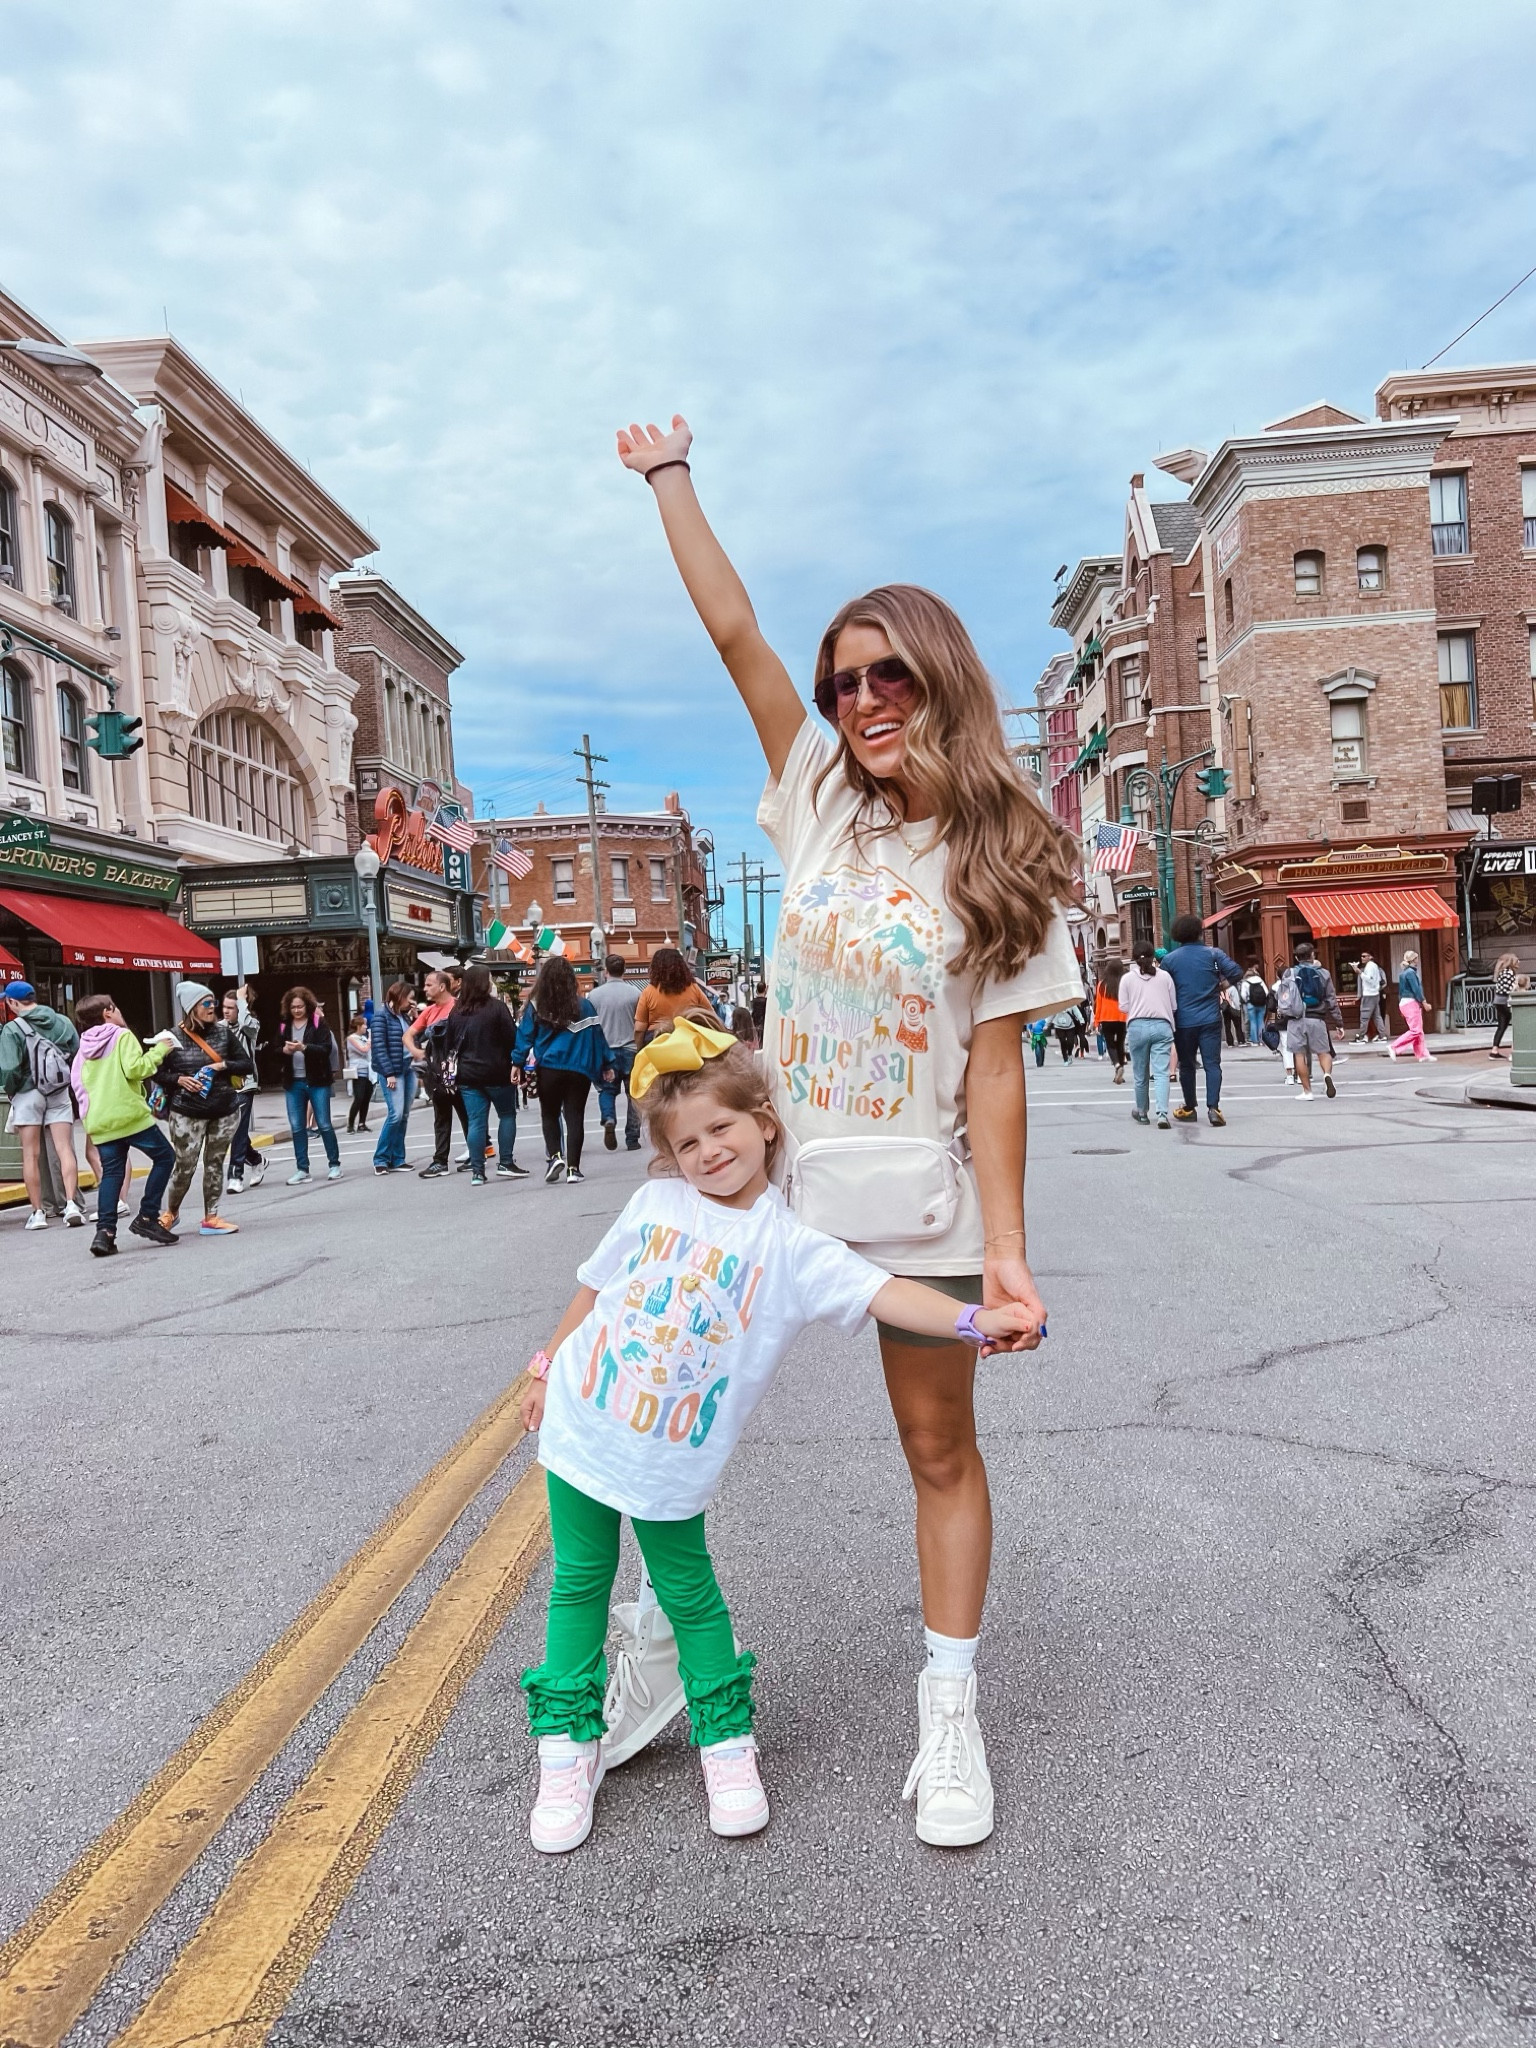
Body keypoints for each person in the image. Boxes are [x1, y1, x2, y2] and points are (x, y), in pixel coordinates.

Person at [617, 413, 1079, 1848]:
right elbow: (735, 630)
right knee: (654, 1418)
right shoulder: (817, 797)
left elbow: (993, 1075)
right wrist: (668, 477)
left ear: (938, 674)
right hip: (764, 1197)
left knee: (939, 1453)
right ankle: (646, 1657)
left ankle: (949, 1717)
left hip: (916, 1209)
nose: (861, 696)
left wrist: (1006, 1256)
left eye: (887, 672)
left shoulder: (1007, 858)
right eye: (845, 679)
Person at [516, 1018, 1045, 1853]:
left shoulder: (792, 1246)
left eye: (720, 1128)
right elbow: (595, 1286)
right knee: (577, 1584)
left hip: (671, 1456)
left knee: (688, 1593)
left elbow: (886, 1293)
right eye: (685, 1142)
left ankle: (726, 1748)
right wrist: (546, 1369)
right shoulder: (653, 1201)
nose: (706, 1152)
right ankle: (565, 1749)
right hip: (584, 1425)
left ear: (765, 1121)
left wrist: (976, 1319)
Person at [70, 995, 178, 1254]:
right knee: (165, 1157)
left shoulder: (83, 1046)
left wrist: (89, 1116)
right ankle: (148, 1217)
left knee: (112, 1174)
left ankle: (104, 1234)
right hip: (129, 1116)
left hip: (100, 1120)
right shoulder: (122, 1036)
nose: (119, 1011)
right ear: (108, 1012)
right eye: (116, 1007)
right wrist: (161, 1049)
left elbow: (78, 1083)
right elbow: (136, 1070)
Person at [158, 981, 254, 1235]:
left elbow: (246, 1065)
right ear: (192, 1008)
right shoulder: (172, 1038)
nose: (213, 1008)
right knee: (184, 1165)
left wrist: (222, 1066)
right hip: (186, 1111)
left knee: (214, 1163)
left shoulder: (224, 1034)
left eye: (213, 1003)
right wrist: (178, 1079)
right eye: (206, 1004)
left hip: (224, 1110)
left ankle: (211, 1217)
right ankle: (171, 1212)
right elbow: (155, 1072)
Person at [513, 956, 614, 1185]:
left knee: (549, 1114)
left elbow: (524, 1036)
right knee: (574, 1117)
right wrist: (607, 1064)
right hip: (578, 1070)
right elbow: (598, 1038)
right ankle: (573, 1169)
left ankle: (555, 1156)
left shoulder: (537, 1005)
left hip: (549, 1068)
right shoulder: (585, 1006)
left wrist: (517, 1063)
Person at [0, 978, 85, 1229]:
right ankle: (71, 1204)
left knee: (31, 1154)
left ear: (14, 1002)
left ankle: (38, 1213)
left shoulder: (13, 1029)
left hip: (28, 1093)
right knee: (64, 1149)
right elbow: (76, 1052)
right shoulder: (63, 1021)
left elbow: (9, 1069)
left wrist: (14, 1091)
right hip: (58, 1091)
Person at [445, 963, 527, 1183]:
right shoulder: (497, 1008)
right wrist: (517, 1064)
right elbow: (512, 1038)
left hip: (468, 1075)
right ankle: (506, 1162)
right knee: (507, 1115)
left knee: (476, 1122)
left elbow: (450, 1043)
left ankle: (477, 1172)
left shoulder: (457, 1011)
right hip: (498, 1072)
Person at [1159, 913, 1242, 1128]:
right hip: (1210, 1017)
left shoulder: (1169, 960)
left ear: (1177, 935)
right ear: (1199, 932)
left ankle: (1189, 1107)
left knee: (1187, 1066)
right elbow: (1236, 972)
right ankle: (1213, 1108)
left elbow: (1163, 987)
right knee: (1212, 1064)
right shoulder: (1213, 954)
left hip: (1183, 1020)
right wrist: (1221, 985)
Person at [408, 967, 470, 1178]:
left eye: (428, 984)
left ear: (442, 986)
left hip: (458, 1070)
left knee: (466, 1115)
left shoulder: (459, 1008)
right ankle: (440, 1161)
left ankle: (474, 1155)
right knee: (441, 1117)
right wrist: (417, 1051)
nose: (424, 988)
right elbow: (408, 1035)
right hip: (436, 1071)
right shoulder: (429, 1011)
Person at [280, 987, 344, 1184]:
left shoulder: (318, 1023)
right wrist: (284, 1050)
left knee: (324, 1124)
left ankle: (334, 1165)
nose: (297, 1011)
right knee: (297, 1127)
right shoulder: (285, 1025)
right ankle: (302, 1169)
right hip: (294, 1082)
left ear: (307, 1006)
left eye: (300, 1007)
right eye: (293, 1007)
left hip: (317, 1080)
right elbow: (274, 1050)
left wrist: (304, 1048)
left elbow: (326, 1049)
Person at [1117, 943, 1177, 1128]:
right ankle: (1162, 1114)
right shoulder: (1165, 977)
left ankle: (1142, 1112)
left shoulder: (1127, 979)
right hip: (1162, 1025)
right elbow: (1174, 1005)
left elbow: (1123, 1007)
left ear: (1134, 958)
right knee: (1161, 1073)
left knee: (1140, 1074)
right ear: (1154, 957)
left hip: (1137, 1026)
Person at [1275, 941, 1344, 1101]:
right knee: (1323, 1052)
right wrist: (1339, 1023)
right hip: (1317, 1018)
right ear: (1313, 955)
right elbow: (1331, 1000)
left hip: (1296, 1019)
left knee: (1299, 1055)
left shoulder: (1289, 974)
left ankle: (1307, 1091)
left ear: (1297, 957)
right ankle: (1327, 1075)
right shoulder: (1324, 973)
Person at [589, 955, 643, 1152]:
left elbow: (591, 1026)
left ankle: (609, 1118)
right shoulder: (635, 993)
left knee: (607, 1090)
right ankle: (632, 1138)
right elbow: (640, 1023)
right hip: (631, 1049)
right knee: (634, 1095)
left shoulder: (594, 996)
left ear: (606, 971)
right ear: (624, 970)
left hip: (606, 1050)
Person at [222, 989, 266, 1196]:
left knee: (238, 1130)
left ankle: (235, 1175)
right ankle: (257, 1160)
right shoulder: (219, 1028)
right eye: (224, 1007)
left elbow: (247, 1023)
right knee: (231, 1130)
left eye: (232, 1008)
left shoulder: (250, 1026)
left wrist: (241, 1000)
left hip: (245, 1084)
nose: (226, 1012)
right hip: (223, 1085)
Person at [370, 979, 417, 1172]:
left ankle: (398, 1158)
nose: (412, 1002)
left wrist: (415, 1018)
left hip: (408, 1069)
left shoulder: (404, 1017)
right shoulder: (381, 1016)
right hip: (393, 1071)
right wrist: (388, 1073)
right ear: (400, 996)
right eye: (410, 998)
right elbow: (379, 1046)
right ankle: (381, 1159)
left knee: (403, 1115)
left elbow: (415, 1040)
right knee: (395, 1114)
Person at [634, 948, 718, 1045]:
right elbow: (711, 1015)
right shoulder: (693, 988)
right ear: (682, 966)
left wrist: (639, 1049)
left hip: (657, 1040)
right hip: (688, 1039)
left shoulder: (648, 991)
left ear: (655, 968)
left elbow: (639, 1029)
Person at [1388, 952, 1435, 1063]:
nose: (1418, 960)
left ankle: (1422, 1054)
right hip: (1411, 1003)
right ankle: (1394, 1047)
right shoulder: (1410, 973)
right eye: (1417, 958)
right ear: (1414, 960)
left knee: (1418, 1031)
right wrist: (1424, 1002)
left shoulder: (1404, 973)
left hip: (1405, 1003)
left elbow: (1400, 992)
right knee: (1416, 1030)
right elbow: (1416, 990)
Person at [1093, 962, 1127, 1083]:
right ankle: (1120, 1072)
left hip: (1106, 1018)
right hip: (1121, 1017)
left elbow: (1098, 1004)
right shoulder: (1123, 983)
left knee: (1110, 1044)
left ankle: (1117, 1065)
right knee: (1120, 1044)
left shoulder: (1102, 985)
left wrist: (1096, 1022)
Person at [345, 1014, 375, 1131]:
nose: (366, 1027)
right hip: (358, 1072)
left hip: (368, 1072)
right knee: (359, 1098)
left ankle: (362, 1123)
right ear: (358, 1026)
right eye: (364, 1025)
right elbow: (363, 1050)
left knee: (366, 1098)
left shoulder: (364, 1038)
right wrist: (370, 1039)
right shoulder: (351, 1038)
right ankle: (350, 1124)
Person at [1490, 951, 1519, 1058]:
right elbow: (1507, 989)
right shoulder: (1509, 973)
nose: (1518, 962)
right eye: (1516, 960)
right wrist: (1516, 987)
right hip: (1505, 1001)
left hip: (1498, 1001)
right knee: (1518, 1025)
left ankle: (1494, 1051)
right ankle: (1514, 1052)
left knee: (1501, 1026)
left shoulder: (1502, 972)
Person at [1354, 950, 1387, 1043]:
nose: (1362, 958)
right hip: (1375, 993)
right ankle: (1382, 1035)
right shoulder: (1375, 966)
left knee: (1364, 1016)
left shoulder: (1369, 966)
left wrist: (1360, 973)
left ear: (1370, 957)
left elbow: (1370, 980)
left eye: (1365, 956)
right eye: (1362, 956)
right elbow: (1379, 980)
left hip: (1369, 994)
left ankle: (1361, 1036)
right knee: (1377, 1016)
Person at [1242, 965, 1270, 1050]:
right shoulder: (1260, 980)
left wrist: (1247, 1000)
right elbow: (1266, 992)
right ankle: (1262, 1040)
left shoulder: (1245, 982)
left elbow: (1243, 995)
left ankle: (1255, 1041)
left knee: (1253, 1022)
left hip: (1251, 1004)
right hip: (1261, 1004)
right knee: (1260, 1021)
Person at [1220, 977, 1246, 1047]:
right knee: (1237, 1026)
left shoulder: (1221, 990)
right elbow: (1236, 999)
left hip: (1225, 1010)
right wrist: (1238, 1008)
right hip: (1233, 1008)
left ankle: (1230, 1043)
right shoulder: (1232, 989)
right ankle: (1240, 1040)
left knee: (1227, 1027)